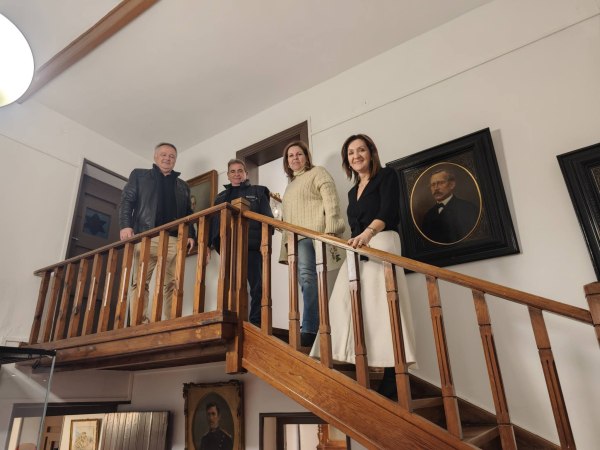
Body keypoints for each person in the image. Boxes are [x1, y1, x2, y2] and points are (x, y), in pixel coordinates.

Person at [310, 134, 417, 398]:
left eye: (361, 150)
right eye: (350, 153)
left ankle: (394, 374)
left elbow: (388, 211)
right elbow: (354, 226)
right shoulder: (351, 191)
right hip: (359, 249)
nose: (356, 156)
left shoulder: (387, 176)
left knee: (386, 309)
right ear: (347, 160)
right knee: (347, 304)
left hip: (382, 243)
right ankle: (344, 357)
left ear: (371, 152)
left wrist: (367, 235)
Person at [118, 142, 195, 323]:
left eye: (172, 156)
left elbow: (188, 214)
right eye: (164, 154)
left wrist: (191, 235)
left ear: (175, 160)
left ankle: (170, 323)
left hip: (174, 239)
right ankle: (139, 324)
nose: (167, 158)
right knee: (140, 282)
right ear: (155, 157)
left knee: (173, 283)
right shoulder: (139, 175)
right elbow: (127, 201)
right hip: (146, 236)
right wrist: (125, 225)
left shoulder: (183, 186)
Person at [279, 141, 346, 347]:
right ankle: (312, 326)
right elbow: (287, 217)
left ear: (306, 156)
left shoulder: (318, 172)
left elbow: (331, 199)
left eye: (299, 154)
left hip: (311, 235)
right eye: (291, 155)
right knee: (305, 282)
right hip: (294, 239)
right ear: (287, 161)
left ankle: (309, 328)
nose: (295, 158)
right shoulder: (290, 186)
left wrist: (332, 226)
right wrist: (285, 245)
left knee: (308, 279)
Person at [209, 159, 273, 326]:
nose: (236, 174)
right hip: (228, 247)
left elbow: (268, 220)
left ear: (246, 173)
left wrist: (265, 242)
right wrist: (209, 245)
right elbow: (213, 222)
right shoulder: (220, 197)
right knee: (230, 286)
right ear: (228, 175)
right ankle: (232, 321)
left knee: (257, 286)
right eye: (233, 171)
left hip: (252, 246)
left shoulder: (258, 191)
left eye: (240, 171)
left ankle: (256, 322)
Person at [420, 167, 480, 244]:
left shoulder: (468, 208)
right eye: (433, 184)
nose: (436, 188)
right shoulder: (428, 216)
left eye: (440, 183)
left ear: (452, 185)